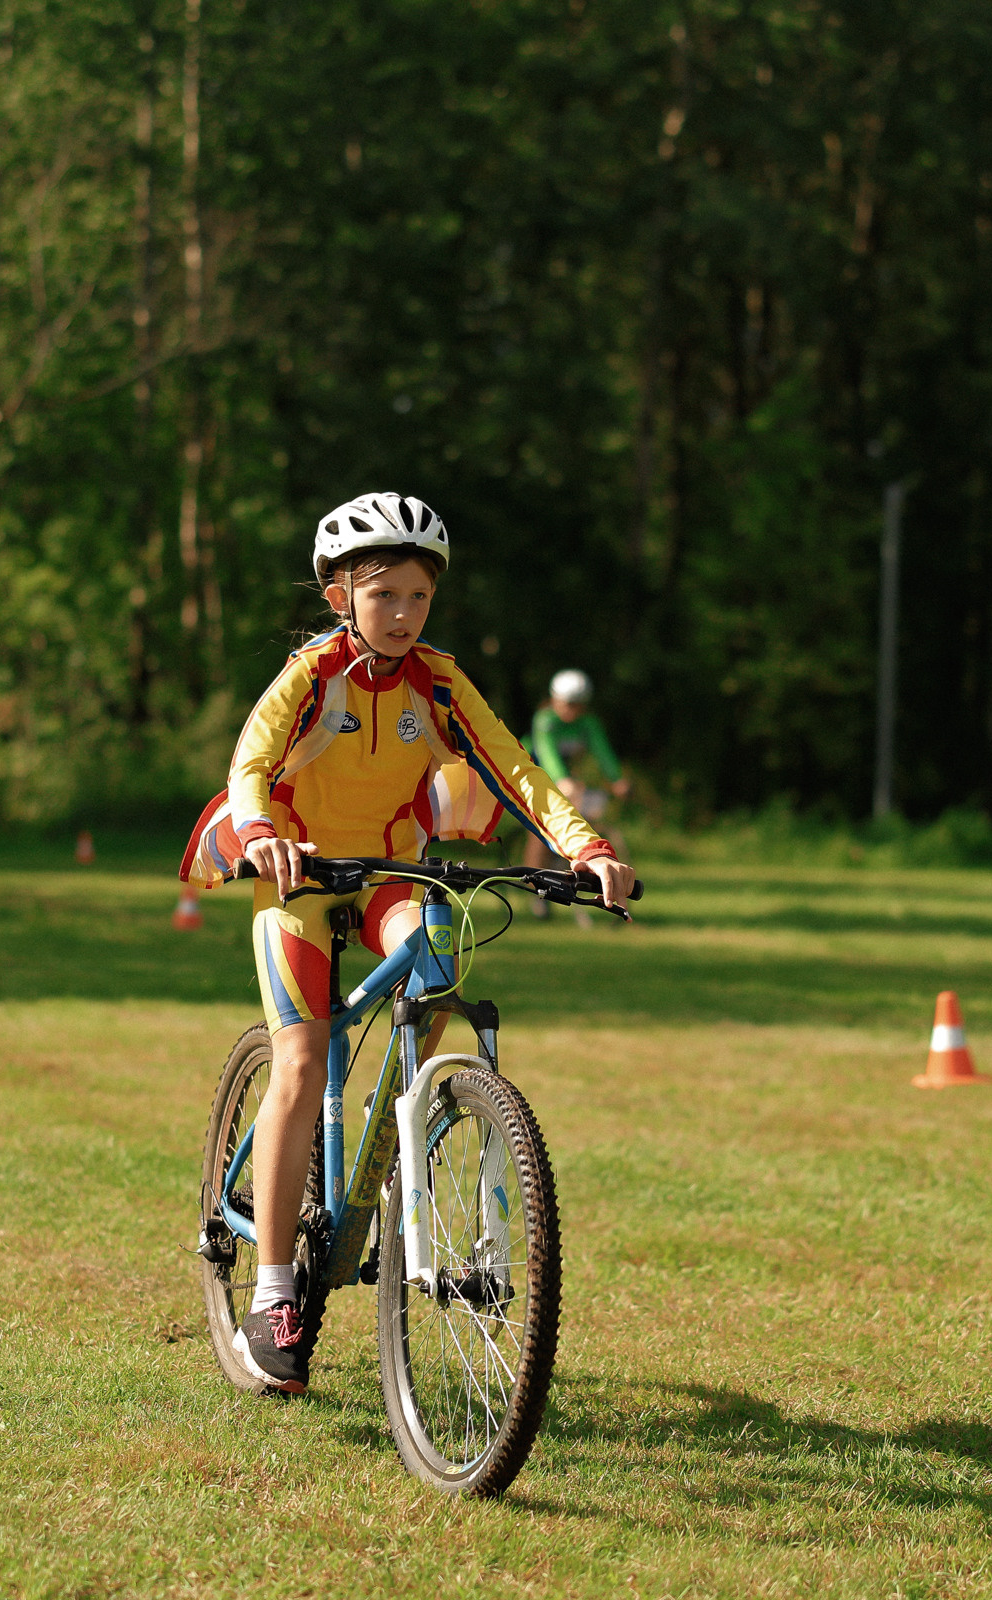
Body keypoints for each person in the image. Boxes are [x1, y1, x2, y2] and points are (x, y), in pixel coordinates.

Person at [176, 491, 635, 1393]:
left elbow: (515, 768)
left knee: (436, 962)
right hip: (299, 874)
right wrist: (264, 829)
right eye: (382, 595)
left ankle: (404, 1165)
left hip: (391, 871)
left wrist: (587, 847)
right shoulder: (312, 677)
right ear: (340, 595)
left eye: (418, 597)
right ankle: (274, 1289)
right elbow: (251, 763)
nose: (401, 614)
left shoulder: (439, 682)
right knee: (302, 1064)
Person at [524, 669, 632, 919]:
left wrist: (617, 780)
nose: (572, 710)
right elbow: (548, 753)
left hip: (568, 782)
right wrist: (562, 780)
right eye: (567, 704)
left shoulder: (587, 724)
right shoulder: (545, 720)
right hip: (534, 776)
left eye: (578, 705)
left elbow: (602, 751)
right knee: (539, 830)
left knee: (589, 814)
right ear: (555, 700)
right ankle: (536, 892)